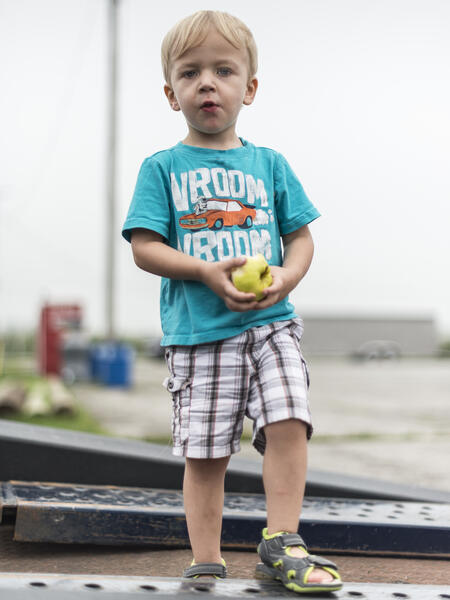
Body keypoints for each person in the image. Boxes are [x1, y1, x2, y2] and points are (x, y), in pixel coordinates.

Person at [122, 10, 342, 594]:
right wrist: (200, 269)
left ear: (249, 88)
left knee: (290, 415)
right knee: (207, 453)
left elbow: (300, 236)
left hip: (272, 323)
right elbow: (145, 247)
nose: (207, 84)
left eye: (223, 71)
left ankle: (282, 540)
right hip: (200, 334)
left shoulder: (270, 164)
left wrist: (288, 278)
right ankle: (207, 559)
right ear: (172, 94)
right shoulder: (162, 168)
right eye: (191, 74)